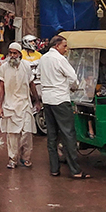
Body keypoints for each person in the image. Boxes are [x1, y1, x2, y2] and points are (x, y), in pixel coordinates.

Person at [35, 34, 89, 179]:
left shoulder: (43, 58)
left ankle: (54, 168)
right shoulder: (60, 59)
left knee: (52, 135)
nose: (66, 49)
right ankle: (75, 170)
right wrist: (73, 87)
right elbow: (73, 77)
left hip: (48, 100)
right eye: (64, 46)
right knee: (68, 135)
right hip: (60, 99)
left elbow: (38, 76)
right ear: (56, 46)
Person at [0, 42, 39, 169]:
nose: (12, 55)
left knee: (27, 132)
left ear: (20, 54)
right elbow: (1, 87)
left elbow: (32, 84)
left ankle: (25, 158)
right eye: (10, 53)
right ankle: (12, 159)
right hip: (10, 105)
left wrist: (37, 101)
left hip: (25, 104)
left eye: (15, 53)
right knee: (12, 135)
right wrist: (0, 106)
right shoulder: (4, 67)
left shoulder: (26, 66)